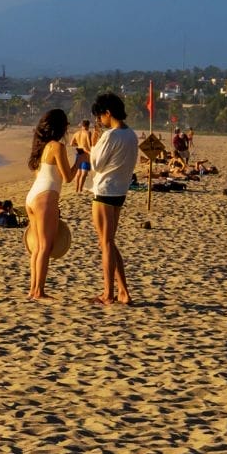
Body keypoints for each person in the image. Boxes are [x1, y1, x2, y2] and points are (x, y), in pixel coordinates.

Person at [89, 92, 139, 305]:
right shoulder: (131, 135)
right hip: (119, 191)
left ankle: (108, 293)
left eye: (100, 116)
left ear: (107, 113)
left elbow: (96, 164)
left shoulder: (111, 135)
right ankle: (123, 291)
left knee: (106, 243)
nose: (99, 121)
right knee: (109, 242)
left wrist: (94, 144)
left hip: (105, 191)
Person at [25, 109, 74, 300]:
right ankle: (39, 291)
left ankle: (33, 289)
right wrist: (80, 161)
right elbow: (68, 177)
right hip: (45, 198)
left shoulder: (41, 147)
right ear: (60, 127)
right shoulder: (57, 147)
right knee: (45, 246)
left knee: (37, 247)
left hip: (32, 196)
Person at [70, 119, 93, 194]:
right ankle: (80, 189)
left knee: (78, 172)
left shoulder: (76, 133)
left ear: (82, 125)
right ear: (88, 125)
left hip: (79, 151)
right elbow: (89, 145)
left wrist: (79, 145)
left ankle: (76, 190)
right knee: (84, 173)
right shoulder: (88, 133)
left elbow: (71, 144)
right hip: (85, 153)